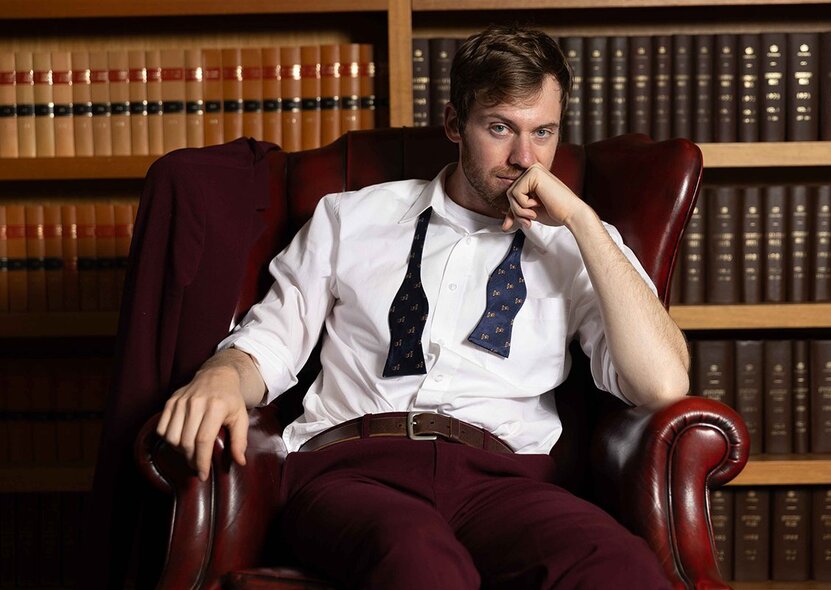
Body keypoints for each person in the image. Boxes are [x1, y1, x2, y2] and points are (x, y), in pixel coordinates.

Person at [156, 24, 689, 589]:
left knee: (622, 569)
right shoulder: (348, 218)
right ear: (456, 124)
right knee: (422, 564)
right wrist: (219, 376)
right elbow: (270, 343)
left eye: (544, 133)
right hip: (353, 472)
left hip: (503, 482)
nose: (525, 158)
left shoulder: (580, 242)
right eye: (501, 127)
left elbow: (660, 385)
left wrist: (583, 223)